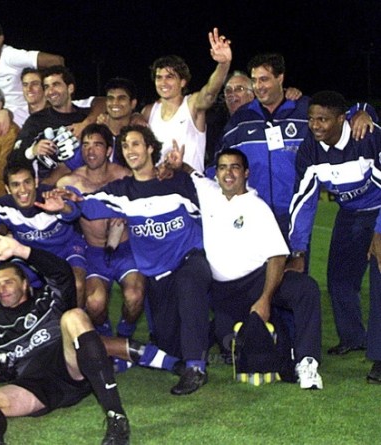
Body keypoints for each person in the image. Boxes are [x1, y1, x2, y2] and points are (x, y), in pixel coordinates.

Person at [169, 147, 323, 389]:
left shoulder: (257, 207)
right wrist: (179, 165)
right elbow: (192, 173)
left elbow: (277, 257)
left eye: (235, 167)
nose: (228, 173)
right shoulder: (208, 191)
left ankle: (307, 362)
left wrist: (265, 299)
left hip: (258, 281)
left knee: (306, 288)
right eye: (222, 168)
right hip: (224, 292)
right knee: (230, 345)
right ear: (216, 173)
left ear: (246, 173)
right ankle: (208, 343)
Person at [78, 125, 212, 395]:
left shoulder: (175, 180)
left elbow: (211, 192)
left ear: (150, 148)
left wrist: (183, 168)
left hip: (187, 259)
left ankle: (196, 368)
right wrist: (67, 204)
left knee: (190, 287)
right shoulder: (121, 190)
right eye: (125, 145)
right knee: (169, 344)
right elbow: (87, 206)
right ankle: (212, 335)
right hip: (157, 272)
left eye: (136, 144)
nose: (130, 150)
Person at [0, 234, 130, 445]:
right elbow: (9, 364)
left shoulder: (47, 299)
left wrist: (22, 251)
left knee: (74, 316)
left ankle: (116, 417)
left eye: (8, 282)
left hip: (70, 369)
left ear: (24, 285)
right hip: (36, 387)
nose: (2, 289)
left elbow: (62, 273)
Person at [220, 53, 376, 239]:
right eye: (254, 80)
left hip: (296, 212)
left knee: (296, 257)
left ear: (280, 78)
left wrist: (363, 111)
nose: (258, 86)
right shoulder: (241, 119)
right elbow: (219, 161)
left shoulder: (304, 110)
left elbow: (338, 116)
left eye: (264, 79)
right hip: (254, 213)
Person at [287, 91, 381, 382]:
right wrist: (298, 250)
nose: (315, 126)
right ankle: (353, 337)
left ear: (342, 120)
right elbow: (303, 201)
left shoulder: (367, 137)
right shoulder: (310, 149)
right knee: (339, 279)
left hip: (379, 210)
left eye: (323, 120)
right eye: (311, 119)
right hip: (350, 213)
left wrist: (379, 232)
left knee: (379, 279)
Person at [0, 165, 88, 308]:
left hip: (66, 250)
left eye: (27, 182)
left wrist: (63, 208)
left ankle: (76, 320)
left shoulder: (50, 196)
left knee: (77, 284)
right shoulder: (4, 206)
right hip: (31, 256)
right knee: (6, 287)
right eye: (16, 185)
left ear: (36, 182)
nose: (23, 189)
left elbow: (74, 212)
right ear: (8, 188)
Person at [56, 124, 143, 338]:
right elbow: (67, 213)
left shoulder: (125, 176)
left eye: (97, 145)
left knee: (134, 296)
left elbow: (145, 207)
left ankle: (124, 334)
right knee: (95, 303)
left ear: (109, 150)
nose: (90, 150)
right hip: (94, 252)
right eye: (85, 145)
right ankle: (103, 334)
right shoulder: (70, 182)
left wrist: (127, 215)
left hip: (125, 249)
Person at [141, 28, 232, 172]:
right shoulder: (149, 111)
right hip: (159, 184)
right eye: (159, 77)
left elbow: (209, 93)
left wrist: (223, 64)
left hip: (191, 184)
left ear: (183, 82)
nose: (163, 82)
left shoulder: (192, 105)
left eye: (169, 77)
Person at [0, 19, 64, 126]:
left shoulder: (11, 56)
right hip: (3, 118)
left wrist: (49, 91)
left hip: (26, 117)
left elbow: (56, 61)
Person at [11, 66, 90, 183]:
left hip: (85, 183)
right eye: (47, 87)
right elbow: (14, 158)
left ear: (70, 88)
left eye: (56, 85)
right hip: (48, 187)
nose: (51, 91)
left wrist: (86, 123)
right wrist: (33, 151)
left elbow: (102, 102)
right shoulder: (36, 120)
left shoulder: (86, 116)